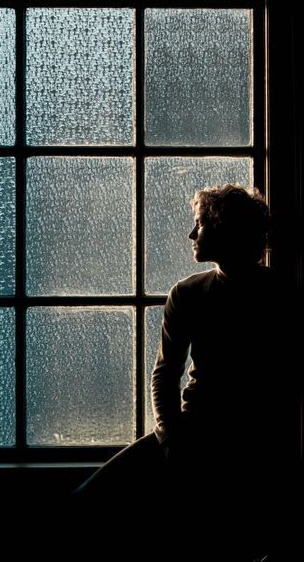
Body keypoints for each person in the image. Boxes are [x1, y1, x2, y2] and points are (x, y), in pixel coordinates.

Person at [70, 184, 294, 559]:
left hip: (241, 439)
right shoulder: (194, 293)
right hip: (198, 432)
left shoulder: (272, 294)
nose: (192, 235)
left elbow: (167, 373)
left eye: (199, 225)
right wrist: (172, 437)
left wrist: (176, 441)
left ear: (224, 229)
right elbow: (164, 373)